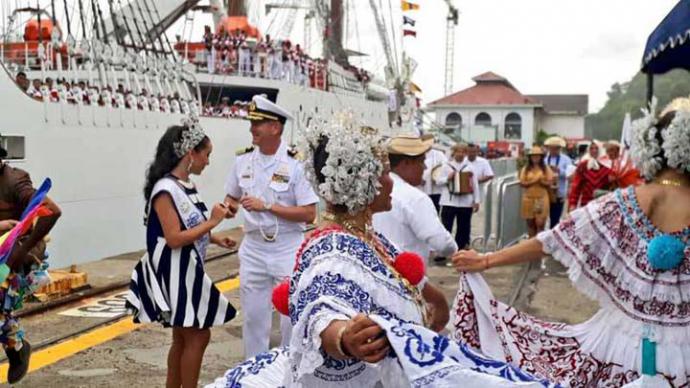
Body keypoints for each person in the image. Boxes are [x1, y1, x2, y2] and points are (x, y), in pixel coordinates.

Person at [207, 113, 551, 388]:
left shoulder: (371, 237)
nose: (391, 183)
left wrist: (435, 302)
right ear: (362, 183)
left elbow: (412, 286)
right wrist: (344, 338)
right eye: (385, 172)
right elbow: (322, 308)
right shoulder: (331, 246)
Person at [451, 98, 690, 386]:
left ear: (652, 147)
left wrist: (487, 260)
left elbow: (552, 240)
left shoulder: (625, 201)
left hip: (620, 344)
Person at [125, 122, 237, 388]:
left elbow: (187, 227)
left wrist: (216, 238)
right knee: (198, 336)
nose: (208, 161)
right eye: (206, 154)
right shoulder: (165, 190)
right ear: (190, 154)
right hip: (174, 270)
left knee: (183, 337)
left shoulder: (182, 185)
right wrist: (212, 223)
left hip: (185, 268)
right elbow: (174, 238)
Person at [224, 95, 319, 359]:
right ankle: (254, 371)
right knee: (253, 318)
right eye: (252, 123)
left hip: (286, 247)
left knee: (291, 316)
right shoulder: (242, 161)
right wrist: (229, 207)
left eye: (259, 123)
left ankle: (289, 369)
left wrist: (267, 206)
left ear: (275, 128)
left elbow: (310, 213)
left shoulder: (295, 163)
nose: (252, 129)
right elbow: (231, 196)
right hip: (253, 247)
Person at [0, 140, 61, 384]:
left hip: (17, 255)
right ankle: (17, 349)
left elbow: (52, 210)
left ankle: (17, 350)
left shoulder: (15, 180)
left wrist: (22, 249)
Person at [372, 134, 458, 266]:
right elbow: (442, 243)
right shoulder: (415, 198)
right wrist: (456, 251)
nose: (424, 167)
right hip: (406, 276)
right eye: (421, 161)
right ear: (406, 163)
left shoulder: (372, 190)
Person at [438, 144, 481, 250]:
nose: (461, 154)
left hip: (465, 202)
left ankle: (460, 249)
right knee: (446, 227)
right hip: (449, 202)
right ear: (454, 153)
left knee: (463, 228)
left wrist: (477, 200)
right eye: (458, 152)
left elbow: (474, 185)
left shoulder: (470, 167)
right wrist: (447, 178)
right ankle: (445, 250)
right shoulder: (446, 166)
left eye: (463, 152)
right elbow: (438, 181)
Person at [518, 146, 554, 238]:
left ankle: (539, 242)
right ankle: (531, 242)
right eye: (533, 156)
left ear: (541, 157)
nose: (535, 158)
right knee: (530, 223)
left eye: (537, 156)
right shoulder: (526, 169)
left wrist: (542, 182)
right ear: (530, 157)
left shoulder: (545, 168)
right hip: (528, 198)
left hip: (541, 198)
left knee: (540, 223)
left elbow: (550, 182)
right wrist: (534, 181)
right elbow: (522, 182)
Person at [567, 141, 611, 210]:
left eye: (596, 148)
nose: (594, 151)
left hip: (602, 202)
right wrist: (573, 203)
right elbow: (576, 186)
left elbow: (612, 184)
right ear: (588, 150)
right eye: (592, 148)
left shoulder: (607, 165)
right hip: (586, 202)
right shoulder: (583, 165)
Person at [543, 136, 573, 228]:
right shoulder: (544, 159)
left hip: (559, 193)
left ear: (560, 148)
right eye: (551, 148)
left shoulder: (566, 159)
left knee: (555, 218)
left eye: (556, 148)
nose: (553, 150)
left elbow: (570, 174)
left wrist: (559, 171)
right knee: (542, 218)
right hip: (545, 192)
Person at [418, 133, 448, 213]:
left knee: (434, 212)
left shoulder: (439, 154)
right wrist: (418, 179)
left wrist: (437, 178)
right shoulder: (416, 153)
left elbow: (445, 168)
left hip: (435, 190)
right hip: (420, 188)